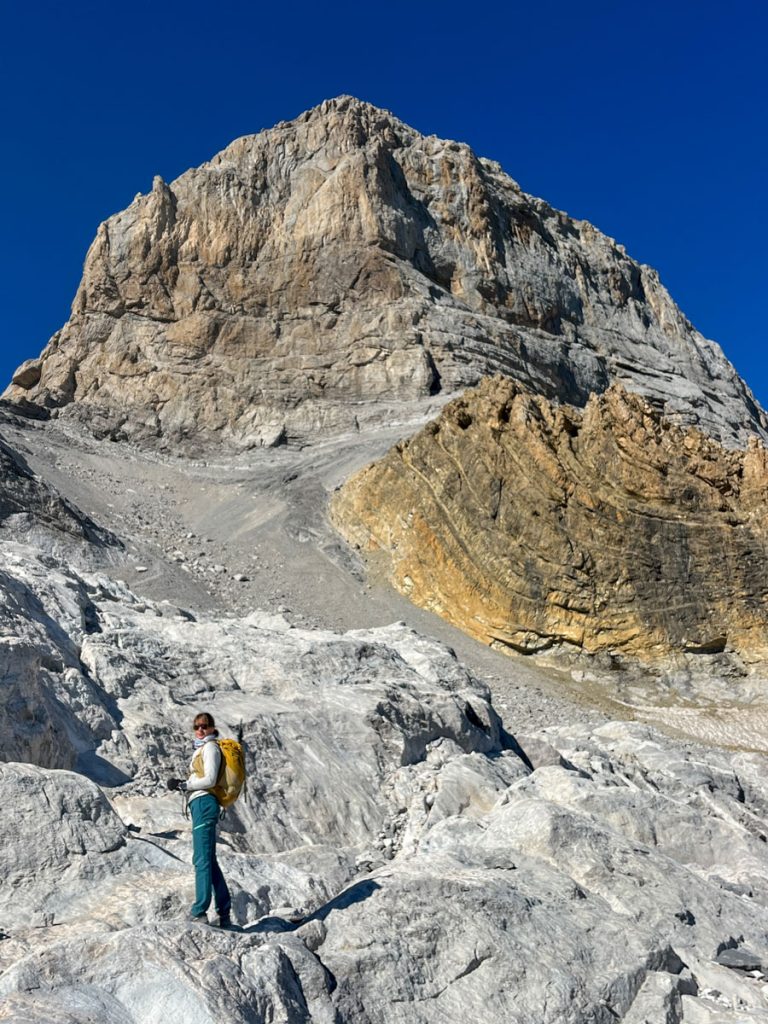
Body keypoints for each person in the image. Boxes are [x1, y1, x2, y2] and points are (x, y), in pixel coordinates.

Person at [168, 711, 232, 928]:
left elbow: (211, 779)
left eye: (204, 726)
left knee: (201, 859)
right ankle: (224, 912)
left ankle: (199, 911)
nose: (200, 729)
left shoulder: (211, 748)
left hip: (204, 803)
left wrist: (185, 785)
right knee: (209, 861)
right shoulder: (202, 749)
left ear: (212, 728)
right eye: (196, 726)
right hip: (201, 804)